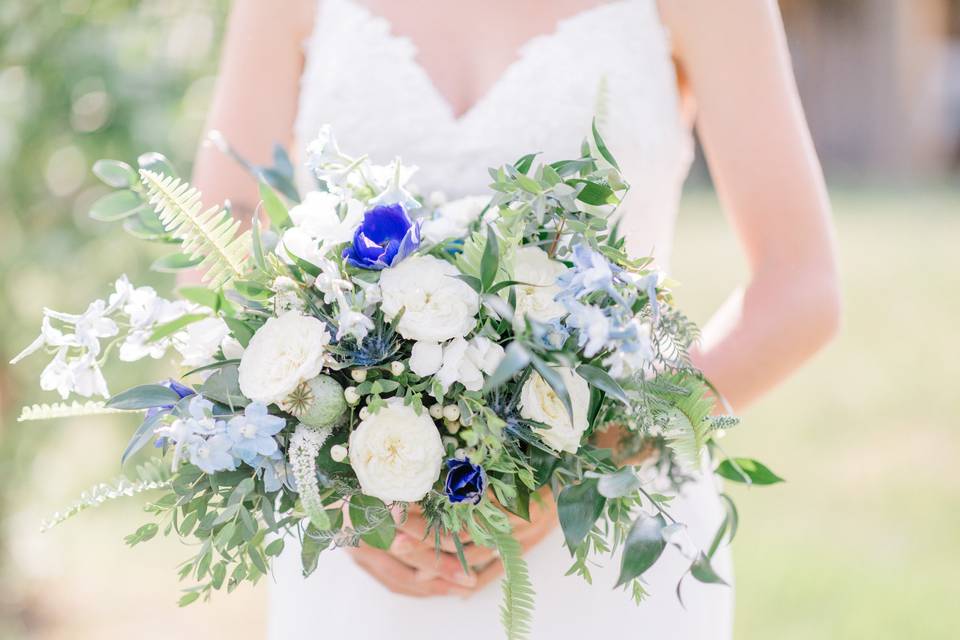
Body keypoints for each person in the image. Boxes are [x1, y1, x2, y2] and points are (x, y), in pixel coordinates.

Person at [192, 1, 841, 637]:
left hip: (604, 536)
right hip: (364, 547)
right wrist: (324, 479)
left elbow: (800, 288)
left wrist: (590, 461)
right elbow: (216, 241)